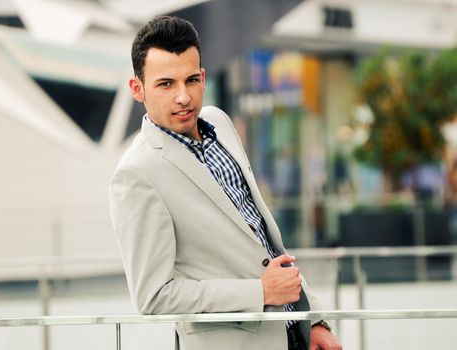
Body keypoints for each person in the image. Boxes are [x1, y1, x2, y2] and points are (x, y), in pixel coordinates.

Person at [109, 15, 342, 350]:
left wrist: (313, 320)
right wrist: (260, 293)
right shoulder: (136, 174)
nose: (183, 97)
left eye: (191, 80)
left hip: (293, 335)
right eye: (165, 84)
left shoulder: (219, 122)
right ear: (137, 89)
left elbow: (261, 239)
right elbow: (153, 296)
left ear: (203, 78)